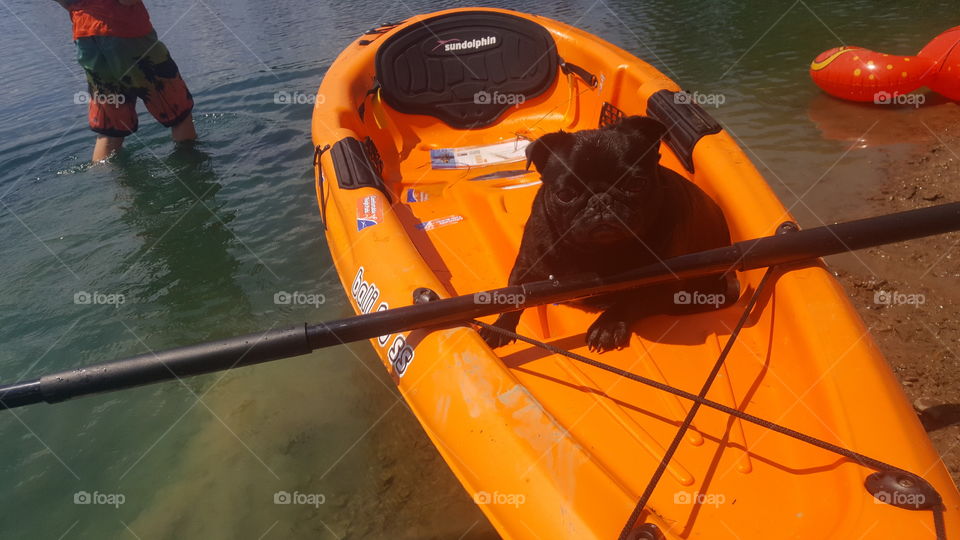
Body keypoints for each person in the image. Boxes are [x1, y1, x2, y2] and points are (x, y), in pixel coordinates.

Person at [55, 0, 197, 161]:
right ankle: (192, 170)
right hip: (126, 33)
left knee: (110, 129)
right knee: (178, 113)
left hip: (85, 38)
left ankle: (103, 180)